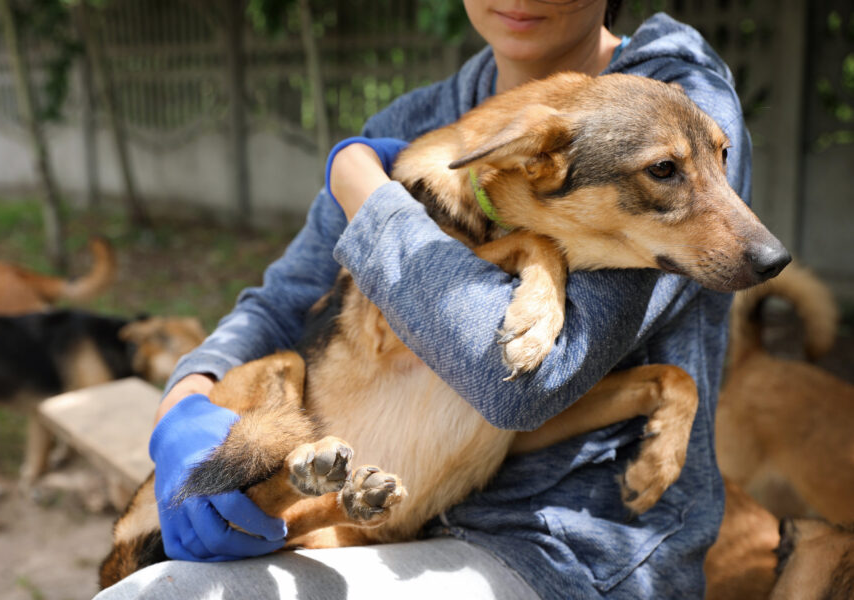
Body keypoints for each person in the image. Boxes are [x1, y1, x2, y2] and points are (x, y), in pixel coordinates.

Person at [96, 1, 752, 598]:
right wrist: (186, 405)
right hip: (380, 513)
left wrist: (370, 197)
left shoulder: (672, 112)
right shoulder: (414, 120)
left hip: (563, 556)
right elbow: (281, 304)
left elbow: (518, 387)